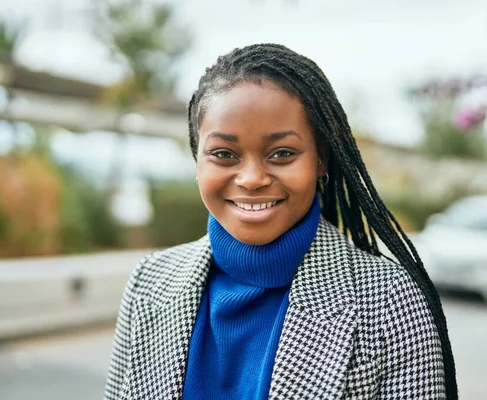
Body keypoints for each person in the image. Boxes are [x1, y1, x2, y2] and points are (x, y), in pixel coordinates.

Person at [104, 43, 457, 400]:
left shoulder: (388, 303)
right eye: (224, 154)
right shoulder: (149, 283)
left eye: (283, 153)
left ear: (321, 159)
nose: (252, 178)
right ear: (198, 161)